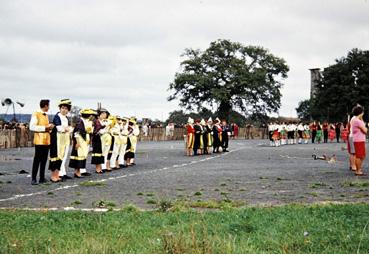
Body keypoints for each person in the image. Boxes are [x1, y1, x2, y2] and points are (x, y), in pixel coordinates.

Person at [30, 99, 54, 185]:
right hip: (39, 140)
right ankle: (33, 178)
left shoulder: (46, 115)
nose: (49, 107)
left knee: (44, 160)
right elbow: (32, 127)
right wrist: (45, 128)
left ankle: (42, 177)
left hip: (46, 141)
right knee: (37, 159)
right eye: (48, 105)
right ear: (45, 106)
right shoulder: (36, 114)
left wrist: (50, 128)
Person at [49, 99, 73, 182]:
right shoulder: (57, 116)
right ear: (60, 108)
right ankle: (58, 174)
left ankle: (62, 173)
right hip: (58, 139)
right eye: (63, 108)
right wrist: (67, 129)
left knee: (64, 156)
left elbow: (69, 128)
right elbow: (59, 128)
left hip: (65, 138)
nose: (64, 110)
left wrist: (67, 129)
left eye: (66, 108)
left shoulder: (66, 118)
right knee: (58, 156)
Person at [69, 109, 95, 178]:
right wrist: (77, 142)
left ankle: (79, 171)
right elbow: (76, 133)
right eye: (90, 115)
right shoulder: (80, 122)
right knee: (79, 156)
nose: (91, 116)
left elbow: (89, 132)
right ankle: (77, 172)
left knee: (83, 155)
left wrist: (89, 138)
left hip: (85, 140)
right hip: (80, 140)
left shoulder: (88, 122)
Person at [91, 108, 109, 174]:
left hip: (102, 138)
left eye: (105, 113)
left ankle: (100, 167)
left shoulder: (104, 121)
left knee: (101, 153)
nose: (105, 114)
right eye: (103, 113)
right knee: (97, 153)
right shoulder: (96, 121)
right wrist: (104, 129)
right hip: (97, 138)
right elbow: (96, 131)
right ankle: (97, 168)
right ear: (99, 115)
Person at [351, 105, 367, 176]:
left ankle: (358, 170)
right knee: (360, 156)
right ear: (361, 112)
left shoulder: (355, 119)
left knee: (362, 155)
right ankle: (358, 171)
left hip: (358, 140)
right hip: (359, 140)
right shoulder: (357, 121)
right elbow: (365, 130)